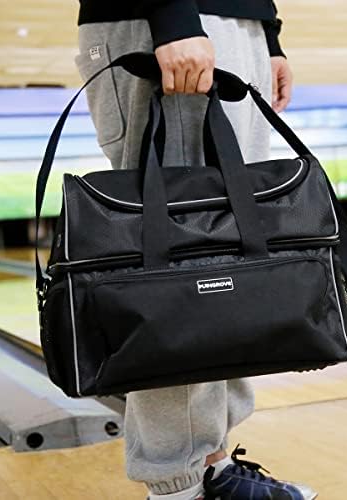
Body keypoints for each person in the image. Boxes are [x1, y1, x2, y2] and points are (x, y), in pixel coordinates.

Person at [75, 2, 317, 499]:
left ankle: (213, 469)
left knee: (225, 266)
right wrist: (173, 18)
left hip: (232, 26)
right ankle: (176, 486)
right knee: (177, 277)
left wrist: (267, 39)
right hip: (170, 20)